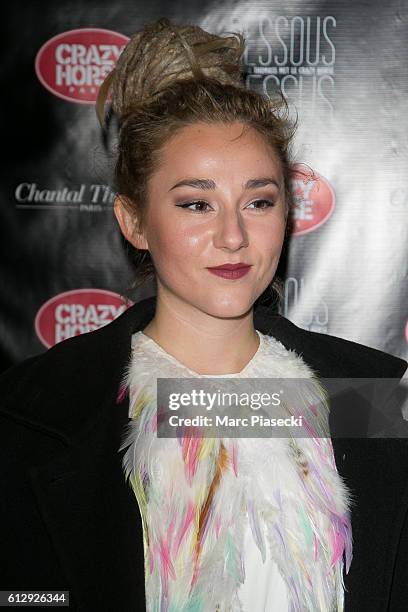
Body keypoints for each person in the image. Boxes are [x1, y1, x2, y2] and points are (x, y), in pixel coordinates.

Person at [1, 16, 407, 612]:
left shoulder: (371, 397)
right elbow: (25, 597)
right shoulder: (38, 411)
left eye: (259, 201)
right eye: (196, 204)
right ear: (134, 221)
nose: (234, 236)